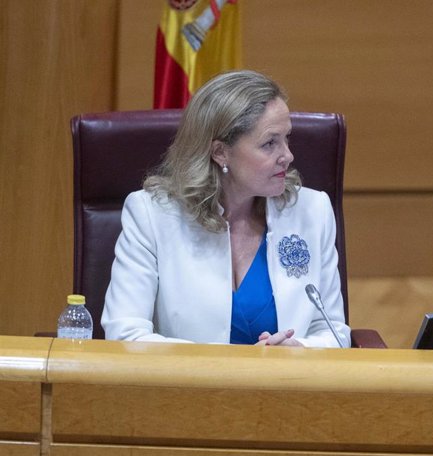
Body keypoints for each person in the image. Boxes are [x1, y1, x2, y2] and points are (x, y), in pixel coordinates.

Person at [102, 70, 350, 347]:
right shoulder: (151, 214)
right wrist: (224, 370)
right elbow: (125, 334)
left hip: (285, 387)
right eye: (270, 143)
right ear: (220, 152)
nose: (288, 156)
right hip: (186, 388)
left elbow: (333, 331)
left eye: (287, 138)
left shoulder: (312, 210)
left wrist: (299, 350)